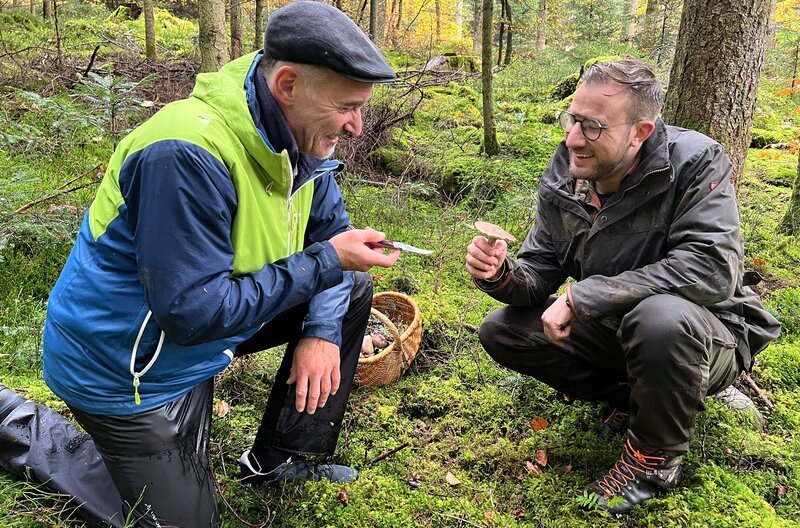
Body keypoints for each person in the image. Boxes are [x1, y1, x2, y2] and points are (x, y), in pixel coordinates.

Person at [41, 2, 401, 526]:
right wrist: (326, 260)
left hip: (203, 333)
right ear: (287, 84)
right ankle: (16, 422)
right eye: (347, 106)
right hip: (130, 367)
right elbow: (190, 314)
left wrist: (321, 331)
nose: (357, 126)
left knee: (350, 285)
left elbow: (332, 236)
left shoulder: (301, 140)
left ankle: (275, 459)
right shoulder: (185, 152)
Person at [465, 58, 780, 514]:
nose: (573, 138)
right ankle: (637, 400)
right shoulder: (568, 169)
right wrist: (501, 273)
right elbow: (540, 271)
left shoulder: (694, 161)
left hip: (706, 335)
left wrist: (583, 297)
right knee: (503, 330)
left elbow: (711, 269)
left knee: (659, 319)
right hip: (612, 327)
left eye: (592, 127)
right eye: (572, 120)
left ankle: (656, 456)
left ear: (640, 133)